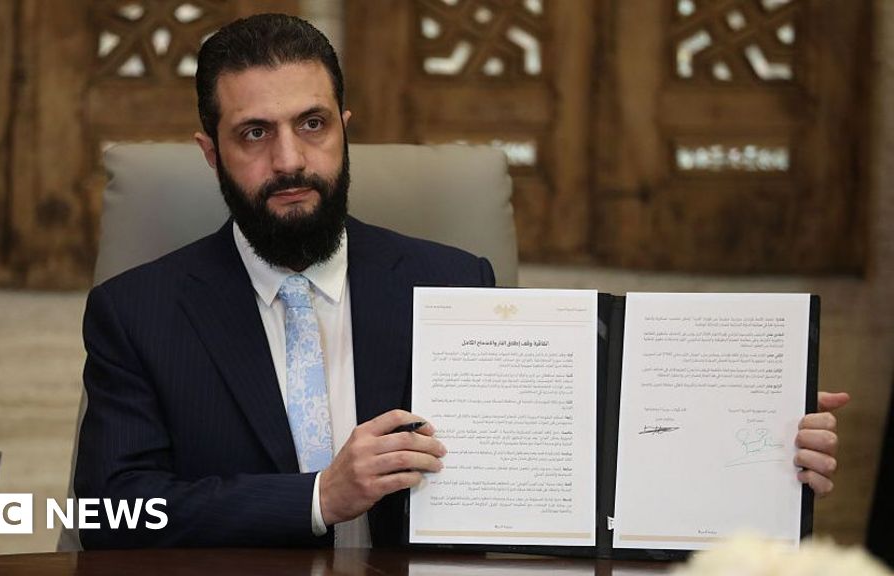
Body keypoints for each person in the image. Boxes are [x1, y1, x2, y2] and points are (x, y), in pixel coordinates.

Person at [73, 13, 847, 550]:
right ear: (211, 154)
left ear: (345, 127)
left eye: (312, 124)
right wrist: (318, 497)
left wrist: (749, 443)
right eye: (254, 134)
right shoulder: (136, 313)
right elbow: (112, 514)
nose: (290, 161)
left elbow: (576, 470)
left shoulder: (452, 283)